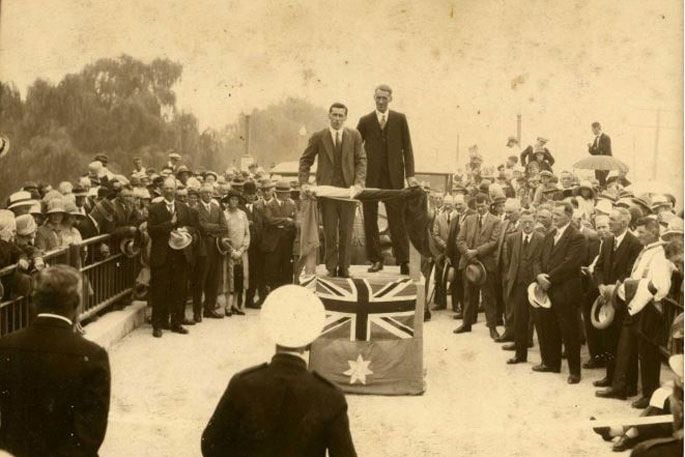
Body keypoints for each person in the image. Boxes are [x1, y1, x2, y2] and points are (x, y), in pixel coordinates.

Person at [201, 285, 357, 457]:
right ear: (309, 340)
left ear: (272, 332)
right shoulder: (329, 395)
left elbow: (211, 445)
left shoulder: (243, 383)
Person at [0, 265, 111, 456]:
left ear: (34, 302)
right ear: (76, 304)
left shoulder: (5, 345)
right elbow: (90, 434)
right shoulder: (92, 355)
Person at [599, 217, 673, 407]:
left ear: (654, 231)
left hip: (648, 308)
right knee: (627, 347)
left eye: (642, 232)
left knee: (648, 353)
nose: (638, 236)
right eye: (638, 232)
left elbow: (660, 286)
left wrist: (637, 296)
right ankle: (622, 387)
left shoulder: (661, 254)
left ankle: (649, 395)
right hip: (634, 305)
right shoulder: (647, 250)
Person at [299, 102, 367, 278]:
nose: (337, 119)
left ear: (345, 118)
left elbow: (361, 160)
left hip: (348, 192)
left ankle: (344, 268)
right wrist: (304, 183)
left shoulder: (354, 135)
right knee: (330, 232)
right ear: (329, 116)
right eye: (334, 115)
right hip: (327, 192)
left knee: (346, 232)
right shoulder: (319, 136)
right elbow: (305, 160)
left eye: (340, 116)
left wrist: (359, 183)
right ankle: (331, 267)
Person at [357, 84, 416, 275]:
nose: (381, 101)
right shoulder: (365, 121)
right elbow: (356, 149)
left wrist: (410, 176)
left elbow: (407, 148)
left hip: (394, 178)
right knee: (370, 220)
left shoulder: (399, 119)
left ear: (390, 99)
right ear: (374, 98)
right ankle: (375, 259)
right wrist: (357, 177)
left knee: (397, 220)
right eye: (378, 98)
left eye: (384, 98)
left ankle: (404, 260)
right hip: (371, 179)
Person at [534, 201, 587, 384]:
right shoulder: (550, 235)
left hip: (566, 291)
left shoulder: (577, 237)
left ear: (569, 216)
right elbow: (539, 258)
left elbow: (570, 263)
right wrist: (539, 274)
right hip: (548, 289)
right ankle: (551, 363)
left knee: (570, 332)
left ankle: (574, 372)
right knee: (549, 328)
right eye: (553, 214)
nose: (554, 218)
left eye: (558, 215)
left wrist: (548, 278)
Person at [591, 208, 643, 390]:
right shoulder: (607, 241)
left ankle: (628, 383)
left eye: (613, 220)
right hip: (606, 298)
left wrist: (615, 288)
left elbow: (631, 272)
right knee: (609, 337)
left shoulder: (635, 243)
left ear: (624, 223)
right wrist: (600, 285)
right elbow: (598, 267)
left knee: (625, 343)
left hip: (624, 299)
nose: (609, 223)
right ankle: (610, 376)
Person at [148, 177, 196, 337]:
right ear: (162, 190)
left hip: (180, 255)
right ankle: (158, 324)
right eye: (166, 188)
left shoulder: (184, 207)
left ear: (176, 190)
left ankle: (176, 323)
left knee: (179, 291)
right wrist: (170, 224)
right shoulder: (155, 208)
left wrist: (184, 230)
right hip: (162, 256)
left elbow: (193, 226)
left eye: (171, 188)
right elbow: (151, 231)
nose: (169, 191)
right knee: (160, 291)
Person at [454, 193, 503, 339]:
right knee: (468, 295)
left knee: (489, 297)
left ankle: (492, 328)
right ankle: (466, 324)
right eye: (478, 207)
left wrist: (476, 252)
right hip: (469, 263)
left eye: (483, 206)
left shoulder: (496, 221)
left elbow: (494, 242)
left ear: (488, 204)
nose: (480, 209)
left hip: (486, 265)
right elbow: (459, 239)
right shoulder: (469, 219)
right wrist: (467, 253)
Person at [502, 210, 544, 363]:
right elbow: (510, 260)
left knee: (539, 321)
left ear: (535, 223)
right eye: (524, 222)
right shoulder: (513, 238)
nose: (527, 225)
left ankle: (545, 359)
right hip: (519, 285)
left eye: (530, 223)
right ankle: (520, 355)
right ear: (519, 223)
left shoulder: (541, 239)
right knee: (520, 320)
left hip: (535, 286)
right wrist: (510, 277)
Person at [197, 183, 228, 320]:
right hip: (202, 249)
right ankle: (198, 312)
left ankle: (209, 309)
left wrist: (210, 230)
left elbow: (224, 227)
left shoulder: (217, 208)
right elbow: (201, 227)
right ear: (201, 194)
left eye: (210, 193)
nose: (208, 195)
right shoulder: (196, 208)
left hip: (216, 248)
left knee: (214, 280)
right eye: (205, 193)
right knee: (201, 279)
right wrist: (214, 228)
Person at [260, 181, 297, 290]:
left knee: (286, 269)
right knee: (273, 269)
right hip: (273, 243)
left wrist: (286, 222)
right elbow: (268, 220)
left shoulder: (292, 204)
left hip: (287, 242)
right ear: (279, 193)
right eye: (286, 193)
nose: (288, 195)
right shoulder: (270, 205)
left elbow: (296, 220)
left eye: (288, 193)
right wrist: (285, 220)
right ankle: (273, 293)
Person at [223, 189, 250, 316]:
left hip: (241, 253)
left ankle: (236, 305)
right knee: (229, 279)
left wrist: (241, 249)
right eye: (231, 199)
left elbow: (247, 234)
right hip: (229, 252)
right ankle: (227, 305)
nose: (233, 202)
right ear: (227, 201)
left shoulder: (242, 214)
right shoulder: (224, 214)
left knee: (240, 278)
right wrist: (231, 250)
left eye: (236, 200)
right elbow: (223, 235)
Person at [587, 122, 612, 187]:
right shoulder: (596, 139)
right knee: (597, 181)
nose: (592, 131)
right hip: (598, 164)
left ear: (597, 128)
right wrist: (590, 147)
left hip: (605, 163)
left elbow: (603, 150)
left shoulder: (606, 137)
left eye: (592, 129)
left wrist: (594, 148)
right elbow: (594, 153)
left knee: (602, 182)